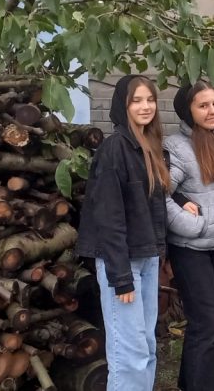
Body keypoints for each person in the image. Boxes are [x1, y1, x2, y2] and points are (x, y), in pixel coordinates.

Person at [76, 75, 169, 391]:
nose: (145, 106)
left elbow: (153, 205)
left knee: (146, 347)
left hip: (147, 257)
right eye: (136, 100)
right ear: (123, 105)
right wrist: (120, 277)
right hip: (123, 263)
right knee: (128, 356)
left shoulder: (150, 146)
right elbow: (109, 218)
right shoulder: (114, 149)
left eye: (150, 99)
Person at [163, 82, 214, 390]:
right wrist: (192, 225)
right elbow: (159, 195)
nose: (212, 111)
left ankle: (189, 383)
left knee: (208, 323)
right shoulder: (176, 147)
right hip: (191, 249)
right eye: (203, 105)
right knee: (206, 324)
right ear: (188, 111)